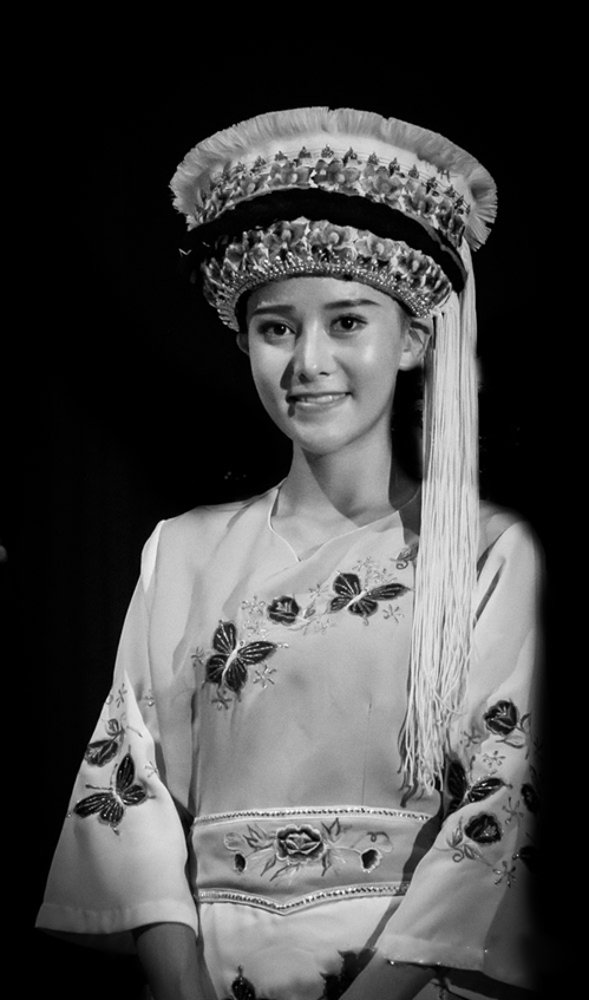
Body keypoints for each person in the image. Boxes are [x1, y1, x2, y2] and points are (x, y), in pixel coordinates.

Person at [36, 107, 544, 999]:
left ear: (413, 338)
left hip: (405, 977)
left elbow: (503, 799)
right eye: (277, 328)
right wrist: (179, 981)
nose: (308, 361)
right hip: (211, 971)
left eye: (346, 322)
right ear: (245, 341)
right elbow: (130, 787)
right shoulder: (184, 550)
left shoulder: (487, 553)